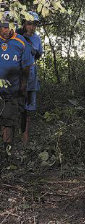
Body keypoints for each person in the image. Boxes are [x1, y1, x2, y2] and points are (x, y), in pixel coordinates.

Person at [0, 11, 32, 156]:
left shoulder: (21, 42)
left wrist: (23, 86)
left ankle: (8, 152)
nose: (4, 30)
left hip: (11, 90)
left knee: (8, 121)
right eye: (1, 27)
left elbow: (26, 67)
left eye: (7, 27)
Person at [17, 11, 43, 145]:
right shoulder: (16, 35)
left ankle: (25, 140)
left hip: (31, 77)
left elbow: (38, 55)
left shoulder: (37, 39)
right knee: (15, 107)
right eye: (29, 24)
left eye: (35, 25)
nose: (32, 27)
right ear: (24, 24)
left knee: (28, 110)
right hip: (17, 77)